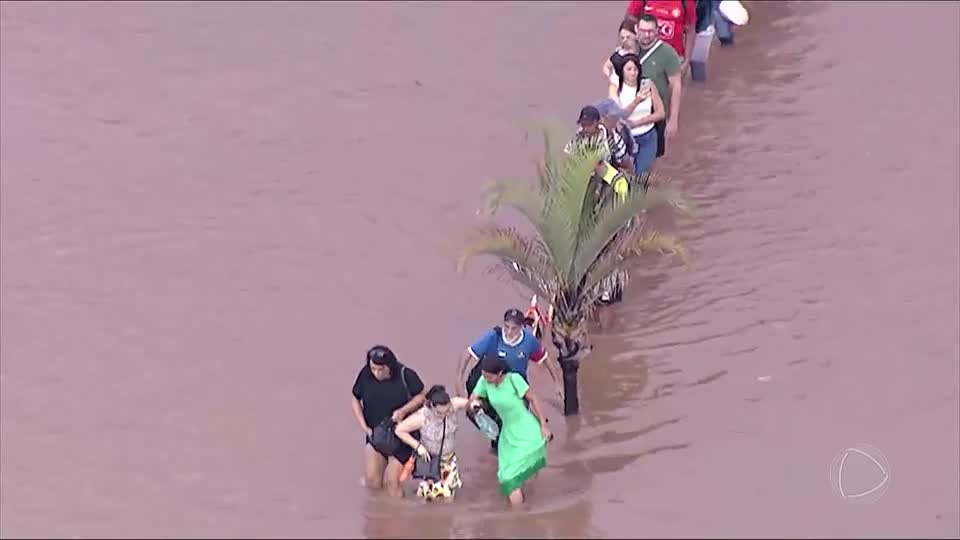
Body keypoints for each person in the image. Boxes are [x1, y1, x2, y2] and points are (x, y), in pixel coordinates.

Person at [469, 356, 552, 507]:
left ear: (500, 373)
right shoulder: (484, 382)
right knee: (506, 474)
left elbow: (533, 399)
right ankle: (522, 506)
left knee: (509, 478)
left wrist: (543, 425)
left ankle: (518, 514)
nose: (486, 379)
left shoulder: (514, 379)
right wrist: (475, 404)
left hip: (526, 430)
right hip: (507, 434)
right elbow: (474, 397)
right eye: (484, 375)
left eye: (489, 376)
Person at [350, 345, 426, 497]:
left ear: (390, 366)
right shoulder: (365, 375)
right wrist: (365, 427)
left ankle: (399, 509)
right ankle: (378, 510)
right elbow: (355, 399)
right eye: (373, 369)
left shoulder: (405, 375)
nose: (376, 373)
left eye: (381, 369)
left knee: (392, 482)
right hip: (375, 433)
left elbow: (422, 396)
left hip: (403, 436)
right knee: (373, 482)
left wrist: (403, 411)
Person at [394, 385, 468, 501]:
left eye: (447, 411)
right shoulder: (422, 417)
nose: (444, 415)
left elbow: (470, 403)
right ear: (432, 407)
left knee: (449, 497)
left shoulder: (454, 405)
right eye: (440, 413)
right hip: (431, 461)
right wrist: (418, 447)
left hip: (449, 460)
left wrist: (475, 405)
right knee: (429, 498)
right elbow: (399, 430)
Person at [632, 14, 684, 159]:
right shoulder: (629, 49)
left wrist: (673, 119)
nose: (646, 35)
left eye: (650, 31)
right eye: (643, 30)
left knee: (653, 158)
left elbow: (676, 86)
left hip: (655, 116)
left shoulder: (668, 53)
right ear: (636, 29)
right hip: (631, 112)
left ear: (657, 31)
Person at [609, 53, 666, 175]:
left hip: (647, 137)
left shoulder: (648, 85)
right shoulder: (616, 88)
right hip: (625, 139)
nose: (633, 73)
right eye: (629, 69)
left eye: (635, 69)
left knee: (640, 173)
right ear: (622, 70)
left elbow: (660, 113)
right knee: (625, 172)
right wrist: (636, 101)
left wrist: (637, 123)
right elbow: (619, 115)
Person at [625, 0, 697, 64]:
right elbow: (630, 18)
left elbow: (690, 30)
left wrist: (686, 61)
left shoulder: (686, 2)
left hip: (674, 58)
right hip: (647, 56)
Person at [601, 17, 640, 87]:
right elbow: (606, 67)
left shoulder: (642, 52)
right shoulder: (619, 53)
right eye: (622, 38)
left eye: (628, 37)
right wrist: (612, 79)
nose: (625, 40)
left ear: (636, 35)